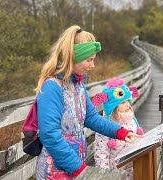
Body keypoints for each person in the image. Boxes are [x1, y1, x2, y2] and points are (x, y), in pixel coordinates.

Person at [34, 25, 141, 180]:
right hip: (55, 171)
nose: (93, 65)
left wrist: (121, 132)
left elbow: (91, 118)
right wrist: (79, 169)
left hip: (74, 167)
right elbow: (49, 134)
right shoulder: (52, 87)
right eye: (89, 60)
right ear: (74, 57)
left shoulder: (78, 86)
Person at [92, 77, 144, 180]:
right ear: (113, 107)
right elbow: (101, 154)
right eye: (123, 103)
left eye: (128, 101)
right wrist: (105, 175)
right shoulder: (105, 127)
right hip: (115, 172)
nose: (128, 105)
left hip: (133, 168)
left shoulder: (131, 120)